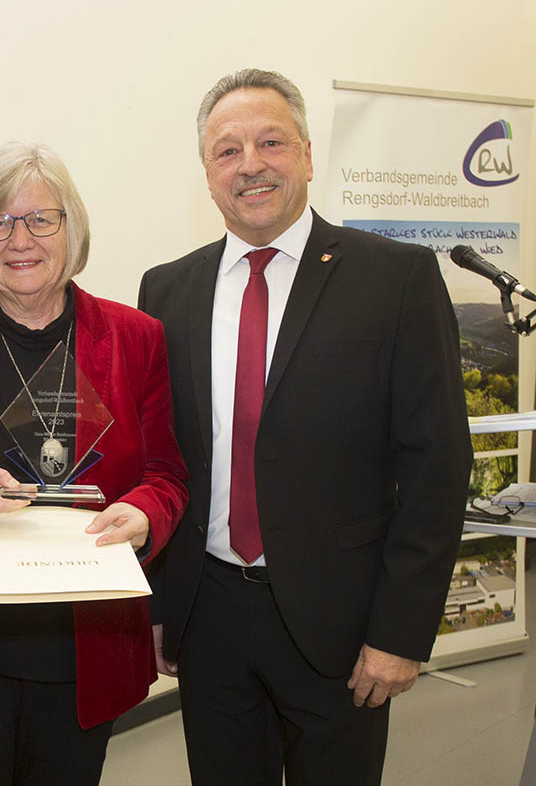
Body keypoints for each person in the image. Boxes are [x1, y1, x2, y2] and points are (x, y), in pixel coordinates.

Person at [138, 69, 472, 785]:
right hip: (212, 620)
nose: (250, 164)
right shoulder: (167, 290)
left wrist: (400, 632)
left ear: (310, 156)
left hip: (345, 628)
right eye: (227, 151)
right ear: (206, 173)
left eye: (271, 142)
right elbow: (165, 461)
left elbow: (437, 469)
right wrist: (164, 606)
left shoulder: (396, 280)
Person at [0, 142, 188, 785]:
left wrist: (144, 512)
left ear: (71, 227)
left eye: (41, 219)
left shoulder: (136, 338)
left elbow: (166, 473)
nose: (19, 239)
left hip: (83, 642)